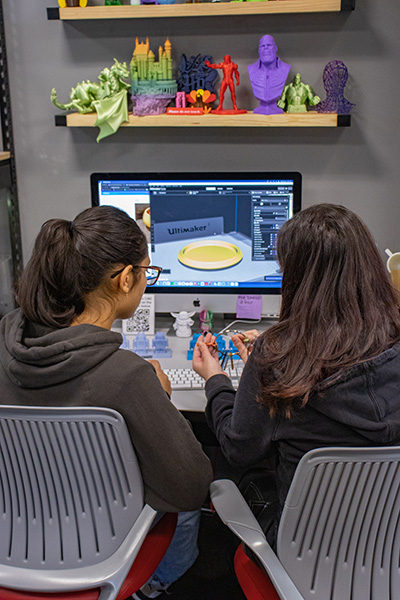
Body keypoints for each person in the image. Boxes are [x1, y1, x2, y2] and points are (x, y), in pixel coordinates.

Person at [0, 205, 213, 599]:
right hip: (99, 553)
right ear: (127, 278)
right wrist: (160, 399)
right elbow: (190, 489)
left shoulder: (4, 345)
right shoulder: (127, 378)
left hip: (12, 545)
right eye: (148, 272)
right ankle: (153, 585)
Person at [193, 203, 400, 549]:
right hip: (388, 550)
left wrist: (216, 380)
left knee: (242, 478)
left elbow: (238, 447)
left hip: (305, 553)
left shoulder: (276, 363)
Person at [248, 34, 291, 115]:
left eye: (269, 45)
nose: (266, 48)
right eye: (262, 46)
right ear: (259, 51)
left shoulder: (285, 69)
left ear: (275, 49)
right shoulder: (251, 70)